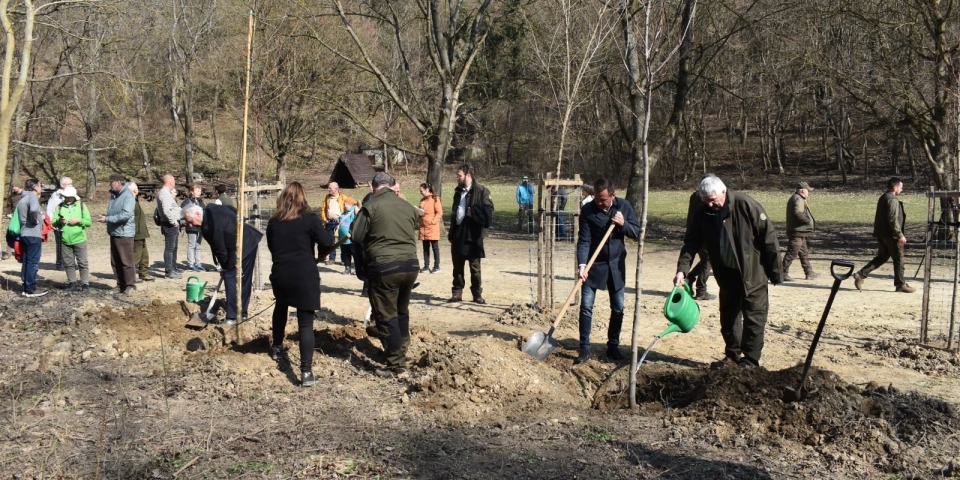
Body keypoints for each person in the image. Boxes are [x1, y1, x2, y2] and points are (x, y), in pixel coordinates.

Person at [675, 176, 782, 369]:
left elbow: (769, 239)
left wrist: (775, 272)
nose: (710, 204)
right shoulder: (703, 213)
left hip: (752, 274)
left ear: (724, 192)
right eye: (706, 200)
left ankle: (750, 360)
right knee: (729, 316)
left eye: (713, 200)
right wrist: (682, 270)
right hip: (726, 274)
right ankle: (732, 356)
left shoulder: (747, 205)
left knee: (754, 318)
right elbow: (691, 243)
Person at [351, 172, 420, 377]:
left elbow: (356, 236)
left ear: (373, 188)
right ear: (392, 186)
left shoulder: (370, 206)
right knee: (401, 310)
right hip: (410, 266)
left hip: (385, 267)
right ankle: (401, 349)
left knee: (386, 315)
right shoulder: (408, 207)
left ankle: (396, 364)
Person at [266, 182, 334, 387]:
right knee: (305, 323)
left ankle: (277, 348)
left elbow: (272, 247)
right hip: (303, 275)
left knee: (281, 307)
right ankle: (305, 372)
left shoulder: (273, 222)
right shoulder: (309, 219)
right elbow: (328, 241)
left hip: (280, 274)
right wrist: (322, 251)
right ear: (302, 198)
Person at [573, 179, 641, 365]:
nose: (599, 202)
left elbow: (636, 232)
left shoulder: (623, 206)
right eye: (597, 198)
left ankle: (613, 347)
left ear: (613, 195)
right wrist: (582, 265)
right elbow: (584, 241)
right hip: (594, 265)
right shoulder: (587, 211)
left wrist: (623, 224)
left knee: (618, 308)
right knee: (586, 307)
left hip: (616, 265)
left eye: (603, 199)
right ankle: (585, 348)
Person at [183, 203, 263, 326]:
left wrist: (225, 268)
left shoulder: (210, 227)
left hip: (244, 242)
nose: (190, 225)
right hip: (243, 239)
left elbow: (221, 250)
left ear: (198, 214)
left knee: (231, 277)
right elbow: (231, 208)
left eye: (191, 221)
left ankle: (232, 317)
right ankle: (241, 313)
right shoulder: (210, 208)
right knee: (240, 278)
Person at [853, 177, 915, 293]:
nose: (902, 189)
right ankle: (900, 284)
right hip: (891, 235)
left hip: (882, 234)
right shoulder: (892, 200)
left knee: (882, 257)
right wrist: (900, 234)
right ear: (895, 187)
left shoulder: (883, 197)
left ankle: (860, 275)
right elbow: (892, 219)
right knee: (898, 259)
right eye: (901, 187)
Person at [448, 163, 494, 304]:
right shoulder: (458, 192)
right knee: (457, 266)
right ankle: (457, 293)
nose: (457, 178)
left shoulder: (481, 191)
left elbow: (489, 212)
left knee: (475, 267)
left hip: (473, 235)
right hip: (458, 234)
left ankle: (477, 294)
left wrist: (474, 213)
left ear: (468, 175)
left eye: (459, 175)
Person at [98, 174, 137, 295]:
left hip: (124, 233)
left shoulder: (128, 196)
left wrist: (108, 219)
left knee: (126, 261)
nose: (110, 185)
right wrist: (106, 216)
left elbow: (125, 215)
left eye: (111, 182)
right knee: (115, 261)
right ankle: (120, 284)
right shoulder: (114, 196)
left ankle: (130, 285)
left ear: (118, 182)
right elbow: (114, 212)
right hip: (114, 232)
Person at [53, 186, 91, 292]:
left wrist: (79, 220)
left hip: (79, 239)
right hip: (65, 239)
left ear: (73, 197)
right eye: (65, 196)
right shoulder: (60, 207)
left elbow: (89, 222)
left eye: (68, 197)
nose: (67, 198)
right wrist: (60, 221)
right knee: (68, 263)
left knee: (82, 262)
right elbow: (54, 222)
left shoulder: (82, 206)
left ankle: (85, 284)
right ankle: (72, 283)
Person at [685, 175, 716, 301]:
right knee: (708, 260)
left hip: (694, 232)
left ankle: (690, 278)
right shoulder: (702, 197)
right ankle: (701, 290)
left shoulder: (695, 195)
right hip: (702, 234)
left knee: (705, 260)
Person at [782, 182, 820, 282]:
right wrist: (807, 220)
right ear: (802, 191)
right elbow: (797, 213)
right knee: (792, 253)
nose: (809, 193)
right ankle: (782, 273)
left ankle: (809, 272)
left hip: (799, 231)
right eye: (808, 190)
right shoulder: (798, 199)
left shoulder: (797, 198)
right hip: (797, 231)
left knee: (804, 253)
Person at [17, 178, 47, 297]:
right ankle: (30, 289)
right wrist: (35, 219)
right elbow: (34, 209)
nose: (41, 187)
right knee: (33, 261)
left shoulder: (23, 198)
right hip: (33, 234)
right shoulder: (32, 197)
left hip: (25, 233)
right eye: (40, 185)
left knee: (26, 261)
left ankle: (25, 287)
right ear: (35, 187)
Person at [320, 182, 357, 265]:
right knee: (330, 241)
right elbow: (323, 209)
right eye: (328, 188)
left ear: (336, 189)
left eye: (330, 188)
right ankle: (331, 258)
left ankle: (344, 259)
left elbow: (348, 208)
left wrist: (342, 219)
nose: (328, 189)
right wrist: (325, 219)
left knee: (342, 242)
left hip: (340, 223)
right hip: (329, 222)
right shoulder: (327, 197)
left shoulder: (343, 197)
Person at [157, 174, 182, 279]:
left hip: (171, 223)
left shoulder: (165, 193)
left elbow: (171, 208)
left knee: (173, 248)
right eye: (174, 181)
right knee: (170, 248)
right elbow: (167, 210)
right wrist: (174, 222)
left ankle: (173, 268)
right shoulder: (165, 194)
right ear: (170, 182)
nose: (175, 183)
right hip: (170, 224)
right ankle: (169, 271)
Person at [45, 176, 72, 270]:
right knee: (61, 244)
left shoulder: (72, 195)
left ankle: (69, 263)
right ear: (62, 185)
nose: (71, 186)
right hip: (58, 224)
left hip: (70, 224)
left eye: (71, 184)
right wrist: (52, 223)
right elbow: (50, 209)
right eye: (69, 184)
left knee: (70, 244)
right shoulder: (56, 195)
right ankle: (60, 263)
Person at [129, 183, 154, 283]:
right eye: (134, 190)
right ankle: (130, 276)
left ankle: (143, 273)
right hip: (136, 232)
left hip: (141, 232)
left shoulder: (134, 200)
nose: (136, 191)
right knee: (136, 256)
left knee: (144, 255)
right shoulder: (129, 201)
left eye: (136, 189)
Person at [417, 182, 443, 273]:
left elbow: (439, 212)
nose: (421, 192)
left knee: (435, 247)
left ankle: (437, 266)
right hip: (423, 227)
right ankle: (426, 266)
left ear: (427, 190)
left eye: (422, 191)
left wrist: (433, 222)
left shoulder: (435, 199)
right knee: (425, 247)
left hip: (432, 227)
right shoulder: (422, 200)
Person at [181, 184, 206, 271]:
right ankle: (190, 264)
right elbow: (184, 212)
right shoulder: (187, 201)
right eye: (197, 191)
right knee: (192, 245)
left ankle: (198, 263)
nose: (200, 193)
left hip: (200, 226)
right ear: (192, 192)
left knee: (198, 245)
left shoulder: (201, 202)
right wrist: (189, 221)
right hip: (191, 226)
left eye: (200, 191)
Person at [337, 199, 359, 275]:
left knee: (356, 255)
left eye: (345, 204)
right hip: (343, 239)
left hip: (351, 239)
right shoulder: (344, 213)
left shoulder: (354, 212)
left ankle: (357, 269)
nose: (344, 205)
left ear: (350, 204)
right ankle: (347, 268)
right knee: (345, 254)